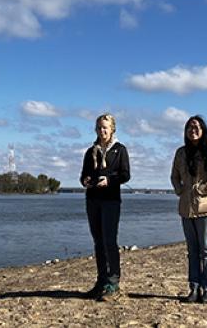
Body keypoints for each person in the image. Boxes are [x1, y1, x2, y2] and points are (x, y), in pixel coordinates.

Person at [170, 115, 207, 304]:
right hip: (186, 208)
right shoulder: (180, 153)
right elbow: (174, 176)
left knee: (206, 251)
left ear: (202, 130)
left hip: (205, 209)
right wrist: (179, 190)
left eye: (196, 127)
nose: (193, 130)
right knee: (192, 251)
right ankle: (194, 287)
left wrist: (203, 189)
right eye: (189, 127)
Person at [80, 113, 130, 301]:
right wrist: (85, 180)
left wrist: (109, 180)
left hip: (111, 200)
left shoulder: (120, 150)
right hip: (92, 199)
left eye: (105, 128)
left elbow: (125, 175)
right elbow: (83, 174)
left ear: (112, 129)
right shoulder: (90, 151)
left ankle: (113, 281)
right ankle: (101, 281)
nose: (102, 131)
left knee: (110, 241)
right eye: (99, 127)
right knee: (98, 242)